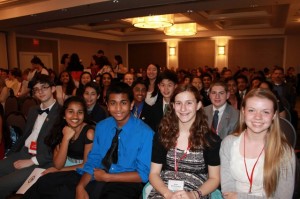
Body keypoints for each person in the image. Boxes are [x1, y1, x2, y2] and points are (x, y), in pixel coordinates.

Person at [20, 82, 154, 199]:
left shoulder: (146, 133)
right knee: (45, 182)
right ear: (107, 105)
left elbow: (143, 175)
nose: (118, 108)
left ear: (131, 105)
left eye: (123, 103)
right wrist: (80, 187)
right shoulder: (102, 126)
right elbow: (92, 161)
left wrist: (108, 177)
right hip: (95, 175)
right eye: (113, 103)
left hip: (124, 182)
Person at [220, 88, 296, 198]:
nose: (258, 117)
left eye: (265, 112)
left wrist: (240, 197)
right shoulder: (228, 143)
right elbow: (227, 189)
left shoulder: (284, 151)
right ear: (243, 111)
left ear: (274, 115)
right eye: (251, 110)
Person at [148, 84, 221, 198]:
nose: (183, 108)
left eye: (189, 103)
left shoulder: (211, 140)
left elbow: (214, 178)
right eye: (178, 103)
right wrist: (168, 194)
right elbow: (154, 174)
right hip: (165, 191)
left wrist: (194, 194)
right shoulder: (162, 136)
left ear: (198, 105)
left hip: (196, 192)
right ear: (173, 106)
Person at [0, 74, 60, 198]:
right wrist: (9, 156)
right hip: (24, 152)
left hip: (42, 160)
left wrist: (31, 161)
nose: (40, 91)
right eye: (36, 89)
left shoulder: (61, 114)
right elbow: (24, 137)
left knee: (3, 184)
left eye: (44, 87)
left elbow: (56, 150)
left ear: (53, 89)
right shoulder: (33, 110)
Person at [22, 96, 94, 198]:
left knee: (61, 192)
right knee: (42, 182)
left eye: (80, 112)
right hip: (64, 168)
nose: (75, 116)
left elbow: (86, 165)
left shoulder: (89, 133)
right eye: (70, 111)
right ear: (64, 115)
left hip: (81, 172)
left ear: (84, 115)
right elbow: (58, 164)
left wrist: (59, 170)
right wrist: (66, 138)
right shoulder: (60, 129)